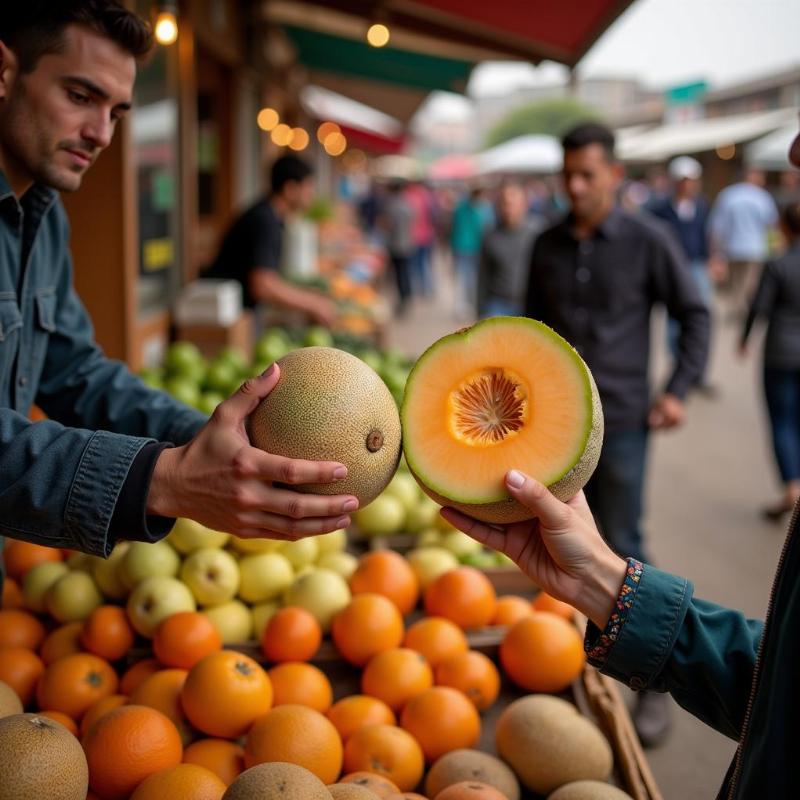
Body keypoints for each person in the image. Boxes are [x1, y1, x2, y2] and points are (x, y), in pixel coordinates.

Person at [0, 2, 359, 592]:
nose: (102, 134)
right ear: (5, 71)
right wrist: (161, 479)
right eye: (80, 96)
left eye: (117, 112)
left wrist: (216, 441)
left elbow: (75, 373)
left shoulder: (45, 215)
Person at [524, 122, 710, 746]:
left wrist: (678, 390)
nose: (574, 187)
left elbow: (696, 312)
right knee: (555, 546)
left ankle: (653, 682)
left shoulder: (649, 240)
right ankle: (567, 671)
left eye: (587, 175)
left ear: (614, 175)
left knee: (623, 542)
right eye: (567, 175)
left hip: (625, 418)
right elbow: (523, 331)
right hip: (548, 429)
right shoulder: (545, 243)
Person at [205, 154, 336, 327]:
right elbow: (263, 285)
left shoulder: (269, 216)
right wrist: (312, 303)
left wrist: (309, 295)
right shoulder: (264, 221)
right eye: (309, 187)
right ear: (290, 188)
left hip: (236, 314)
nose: (312, 195)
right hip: (222, 321)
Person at [740, 201, 800, 521]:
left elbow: (758, 306)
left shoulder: (778, 264)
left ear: (785, 227)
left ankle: (791, 486)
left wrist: (744, 338)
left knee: (783, 421)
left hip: (779, 353)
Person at [649, 155, 715, 392]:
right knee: (674, 323)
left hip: (696, 266)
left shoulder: (701, 206)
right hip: (672, 269)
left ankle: (698, 371)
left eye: (691, 180)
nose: (687, 185)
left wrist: (711, 260)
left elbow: (705, 235)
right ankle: (680, 368)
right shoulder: (660, 208)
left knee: (701, 319)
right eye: (683, 180)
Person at [709, 167, 779, 322]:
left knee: (734, 284)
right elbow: (772, 226)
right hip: (755, 250)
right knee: (750, 285)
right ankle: (744, 313)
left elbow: (717, 227)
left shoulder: (728, 195)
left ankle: (737, 311)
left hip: (733, 248)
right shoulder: (762, 197)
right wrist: (775, 248)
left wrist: (716, 252)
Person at [477, 181, 544, 318]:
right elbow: (483, 275)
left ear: (524, 204)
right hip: (498, 303)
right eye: (504, 203)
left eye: (512, 203)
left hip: (530, 304)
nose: (508, 209)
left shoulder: (538, 231)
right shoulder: (490, 236)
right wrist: (479, 309)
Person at [451, 187, 491, 320]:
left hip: (466, 248)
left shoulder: (461, 208)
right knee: (466, 279)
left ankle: (466, 307)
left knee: (467, 279)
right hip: (468, 248)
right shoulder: (482, 210)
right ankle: (464, 307)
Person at [381, 180, 414, 316]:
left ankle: (402, 299)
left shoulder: (391, 205)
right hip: (407, 243)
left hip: (395, 245)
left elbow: (386, 224)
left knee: (398, 274)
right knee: (405, 273)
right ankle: (406, 296)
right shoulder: (407, 204)